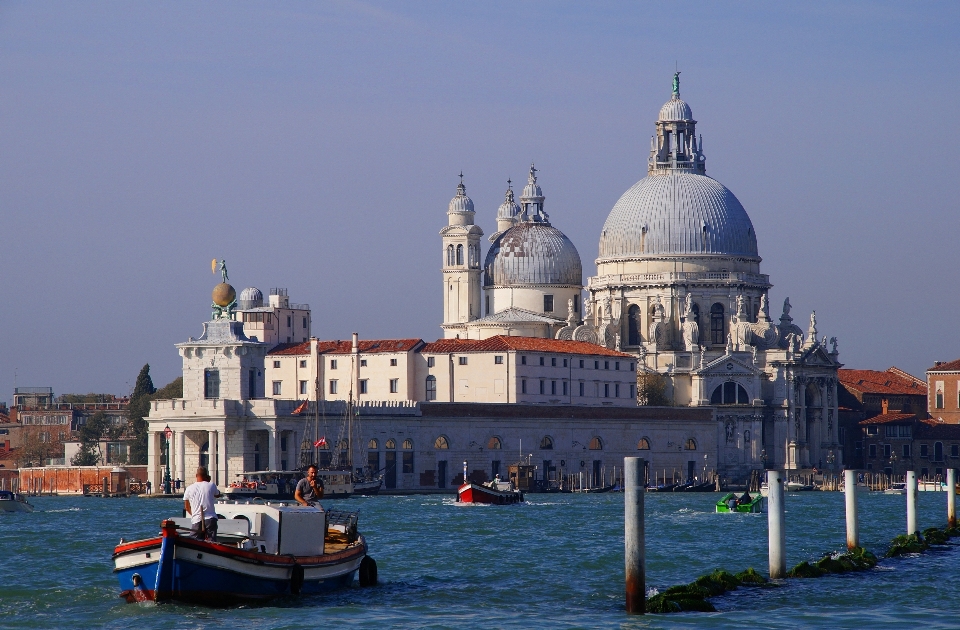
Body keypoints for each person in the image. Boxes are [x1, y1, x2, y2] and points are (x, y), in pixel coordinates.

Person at [183, 466, 221, 541]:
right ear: (206, 476)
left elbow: (187, 507)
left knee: (194, 541)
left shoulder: (189, 488)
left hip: (196, 519)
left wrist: (194, 514)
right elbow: (218, 495)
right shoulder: (211, 485)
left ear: (196, 475)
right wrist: (208, 481)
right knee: (211, 541)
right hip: (210, 518)